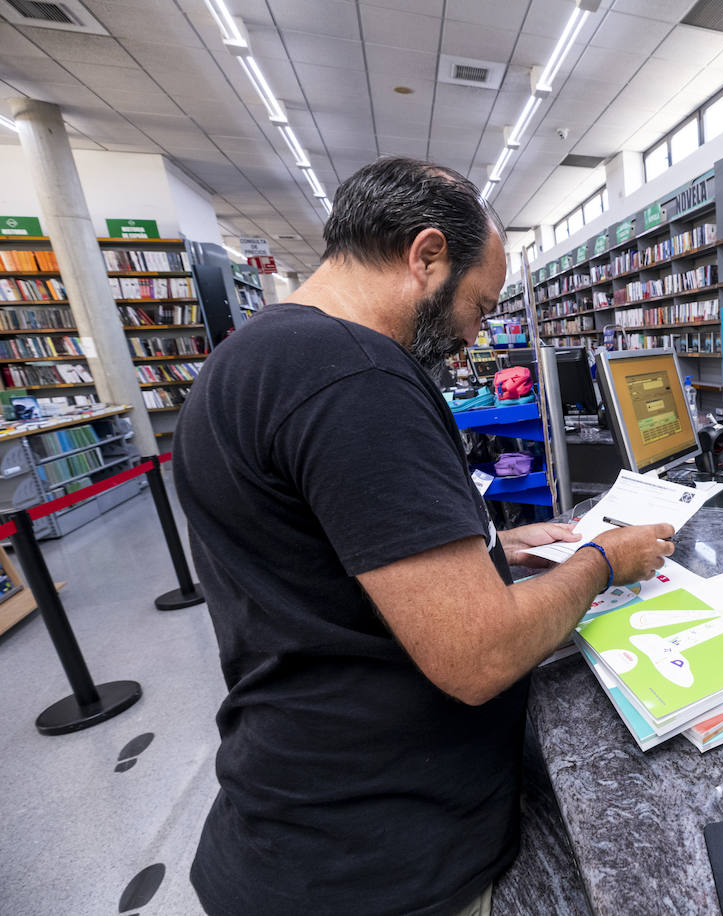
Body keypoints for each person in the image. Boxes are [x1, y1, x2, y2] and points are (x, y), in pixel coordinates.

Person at [174, 157, 675, 916]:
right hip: (378, 861)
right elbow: (481, 655)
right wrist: (605, 560)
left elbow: (312, 560)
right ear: (428, 255)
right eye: (481, 304)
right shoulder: (356, 378)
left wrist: (487, 546)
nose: (474, 335)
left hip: (300, 824)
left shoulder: (251, 358)